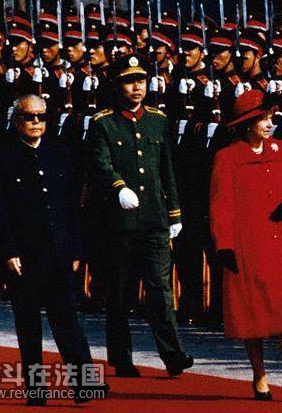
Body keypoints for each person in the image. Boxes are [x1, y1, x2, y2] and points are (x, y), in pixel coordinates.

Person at [0, 94, 106, 405]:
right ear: (16, 120)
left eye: (41, 116)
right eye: (29, 117)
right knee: (29, 325)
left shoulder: (59, 153)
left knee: (68, 321)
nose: (36, 122)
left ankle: (84, 384)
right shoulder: (2, 157)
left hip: (59, 252)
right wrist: (8, 250)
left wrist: (77, 249)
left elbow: (71, 206)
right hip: (24, 255)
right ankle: (36, 389)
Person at [87, 54, 193, 378]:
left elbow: (166, 168)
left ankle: (173, 354)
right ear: (117, 86)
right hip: (120, 221)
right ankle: (121, 358)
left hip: (154, 218)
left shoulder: (158, 120)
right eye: (129, 81)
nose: (136, 87)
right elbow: (101, 163)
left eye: (141, 80)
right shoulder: (103, 123)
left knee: (160, 288)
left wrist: (174, 213)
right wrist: (118, 187)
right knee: (121, 291)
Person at [210, 89, 282, 401]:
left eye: (271, 118)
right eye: (263, 119)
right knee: (252, 314)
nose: (269, 124)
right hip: (248, 244)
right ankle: (260, 376)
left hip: (281, 241)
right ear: (246, 124)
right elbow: (220, 205)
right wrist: (224, 245)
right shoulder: (227, 157)